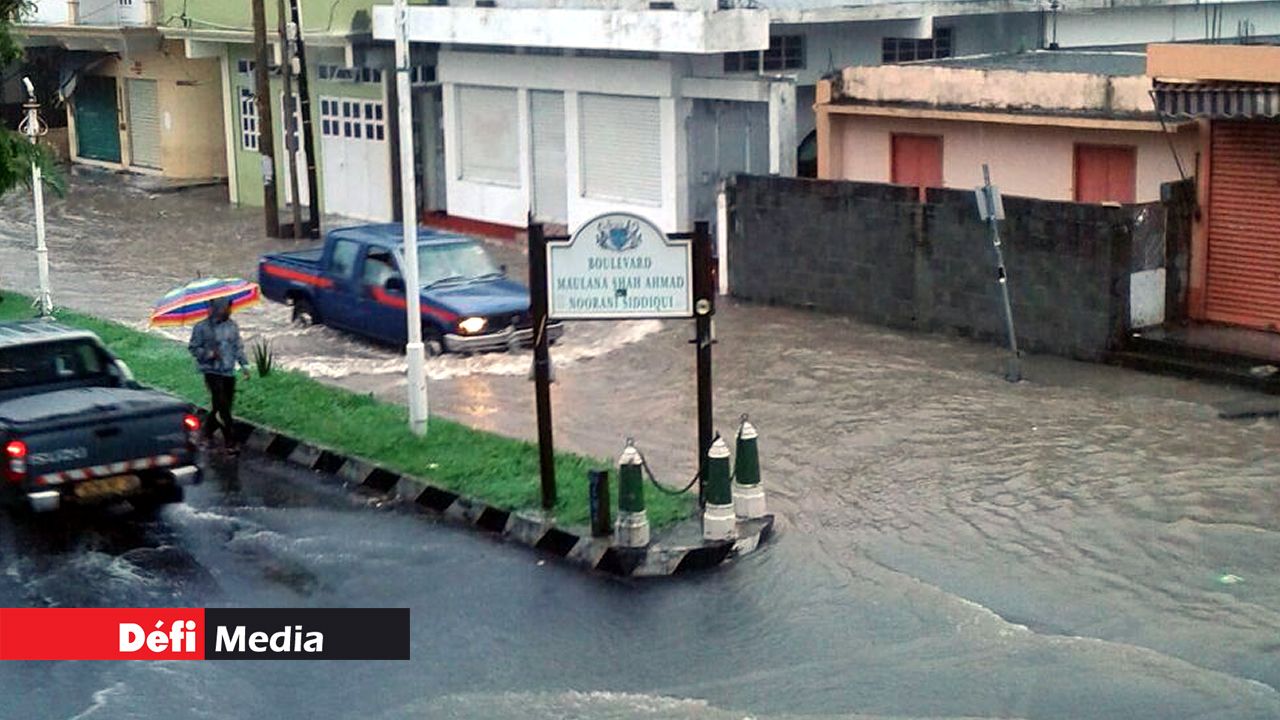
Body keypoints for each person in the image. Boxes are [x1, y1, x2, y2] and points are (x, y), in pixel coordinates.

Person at [188, 297, 250, 454]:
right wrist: (209, 353)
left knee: (221, 405)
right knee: (223, 406)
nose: (229, 311)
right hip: (211, 371)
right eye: (226, 308)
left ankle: (206, 434)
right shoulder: (201, 327)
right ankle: (230, 442)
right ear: (218, 308)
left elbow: (238, 347)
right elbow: (193, 348)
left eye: (230, 308)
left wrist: (244, 365)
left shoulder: (232, 326)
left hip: (228, 370)